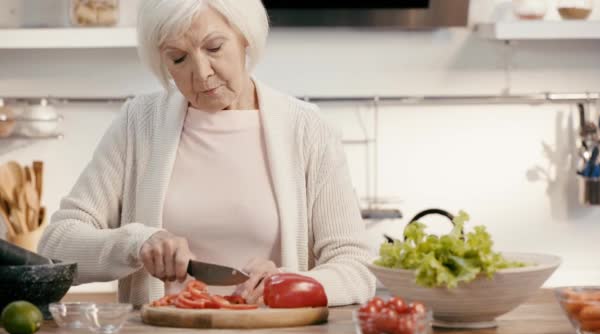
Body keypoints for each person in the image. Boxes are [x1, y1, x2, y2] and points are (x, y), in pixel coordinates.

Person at [38, 0, 375, 306]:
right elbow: (56, 245)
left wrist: (290, 284)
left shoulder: (307, 130)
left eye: (214, 47)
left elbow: (357, 268)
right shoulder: (138, 125)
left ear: (245, 36)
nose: (201, 74)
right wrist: (137, 242)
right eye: (178, 58)